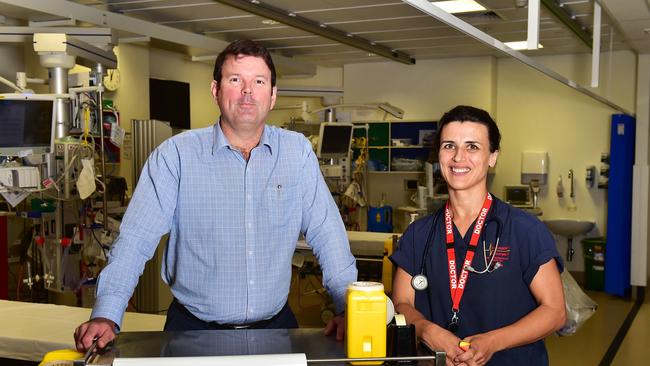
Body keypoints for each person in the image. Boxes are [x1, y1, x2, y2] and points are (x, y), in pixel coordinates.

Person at [75, 40, 357, 351]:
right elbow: (135, 240)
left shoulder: (296, 152)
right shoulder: (176, 156)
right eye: (235, 80)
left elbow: (327, 233)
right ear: (216, 90)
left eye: (259, 81)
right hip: (192, 332)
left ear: (273, 95)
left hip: (276, 330)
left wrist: (348, 308)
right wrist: (106, 314)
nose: (247, 91)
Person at [390, 105, 566, 366]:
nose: (459, 157)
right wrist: (426, 330)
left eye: (472, 146)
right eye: (449, 146)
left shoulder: (524, 230)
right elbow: (402, 304)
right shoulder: (419, 234)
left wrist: (493, 342)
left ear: (493, 156)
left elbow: (555, 312)